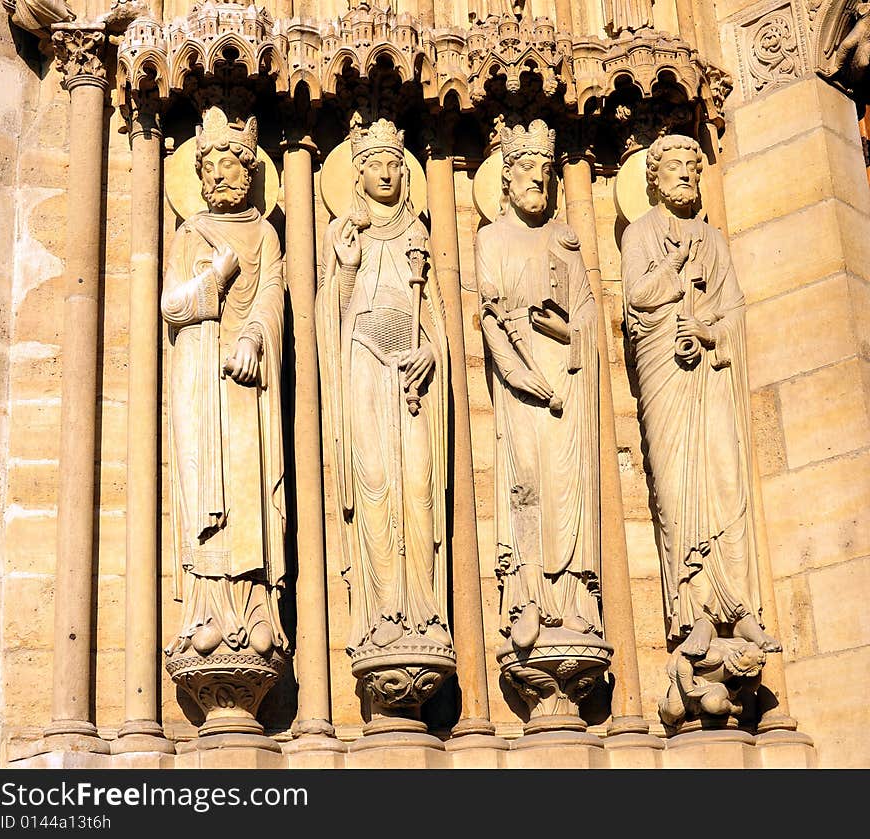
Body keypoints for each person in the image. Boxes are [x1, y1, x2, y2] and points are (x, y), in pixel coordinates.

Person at [620, 134, 781, 659]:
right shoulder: (640, 235)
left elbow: (734, 308)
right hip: (666, 376)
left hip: (712, 376)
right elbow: (636, 300)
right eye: (675, 167)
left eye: (693, 167)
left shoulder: (713, 240)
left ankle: (741, 610)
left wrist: (708, 332)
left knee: (728, 480)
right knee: (675, 487)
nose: (686, 175)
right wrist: (675, 270)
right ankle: (693, 613)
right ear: (654, 178)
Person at [316, 118, 452, 656]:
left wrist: (432, 352)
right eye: (375, 164)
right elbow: (332, 316)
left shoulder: (418, 234)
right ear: (357, 174)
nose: (387, 173)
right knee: (373, 483)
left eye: (396, 163)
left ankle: (424, 609)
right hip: (364, 368)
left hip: (412, 371)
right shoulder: (344, 234)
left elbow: (436, 317)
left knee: (417, 486)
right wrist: (347, 271)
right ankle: (382, 611)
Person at [162, 106, 286, 660]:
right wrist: (217, 273)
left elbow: (273, 298)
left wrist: (253, 339)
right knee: (205, 497)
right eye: (207, 165)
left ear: (251, 168)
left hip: (249, 383)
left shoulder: (265, 234)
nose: (215, 175)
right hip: (200, 383)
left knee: (250, 490)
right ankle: (207, 610)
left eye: (227, 164)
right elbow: (171, 305)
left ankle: (257, 610)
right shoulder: (191, 232)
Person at [476, 119, 602, 651]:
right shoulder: (492, 238)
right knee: (525, 483)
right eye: (526, 168)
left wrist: (569, 330)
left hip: (568, 383)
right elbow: (487, 314)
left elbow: (591, 312)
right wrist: (521, 375)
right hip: (524, 388)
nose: (538, 179)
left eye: (546, 170)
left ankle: (572, 598)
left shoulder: (565, 240)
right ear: (506, 178)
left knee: (568, 485)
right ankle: (527, 595)